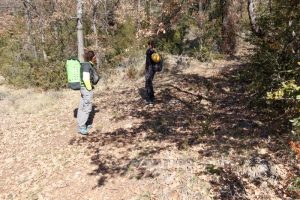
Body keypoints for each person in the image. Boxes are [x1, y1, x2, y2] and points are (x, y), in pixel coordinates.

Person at [77, 50, 97, 135]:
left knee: (82, 106)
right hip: (86, 89)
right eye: (95, 57)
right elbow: (85, 78)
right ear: (92, 57)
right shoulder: (87, 66)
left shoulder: (85, 65)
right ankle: (81, 126)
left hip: (83, 88)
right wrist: (89, 89)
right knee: (87, 108)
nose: (96, 58)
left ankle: (82, 124)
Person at [145, 40, 156, 104]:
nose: (147, 46)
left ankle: (149, 99)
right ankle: (152, 97)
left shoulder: (149, 51)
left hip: (149, 69)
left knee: (148, 84)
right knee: (150, 83)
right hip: (153, 69)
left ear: (149, 45)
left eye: (148, 44)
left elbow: (148, 62)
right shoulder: (154, 51)